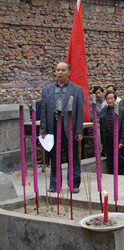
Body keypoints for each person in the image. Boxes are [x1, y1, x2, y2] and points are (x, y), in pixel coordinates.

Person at [40, 62, 83, 193]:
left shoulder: (76, 89)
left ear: (68, 72)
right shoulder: (47, 90)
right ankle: (54, 184)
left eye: (63, 70)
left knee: (73, 157)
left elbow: (79, 111)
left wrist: (78, 131)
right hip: (53, 126)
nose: (60, 72)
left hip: (69, 127)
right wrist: (43, 130)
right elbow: (43, 111)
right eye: (58, 70)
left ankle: (74, 184)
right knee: (54, 157)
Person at [100, 91, 124, 174]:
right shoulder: (103, 111)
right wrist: (102, 142)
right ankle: (112, 174)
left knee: (119, 159)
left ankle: (121, 175)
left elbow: (123, 127)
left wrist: (122, 141)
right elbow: (101, 127)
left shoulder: (122, 111)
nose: (110, 101)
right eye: (108, 99)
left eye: (112, 99)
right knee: (110, 159)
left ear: (115, 99)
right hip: (108, 139)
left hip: (118, 139)